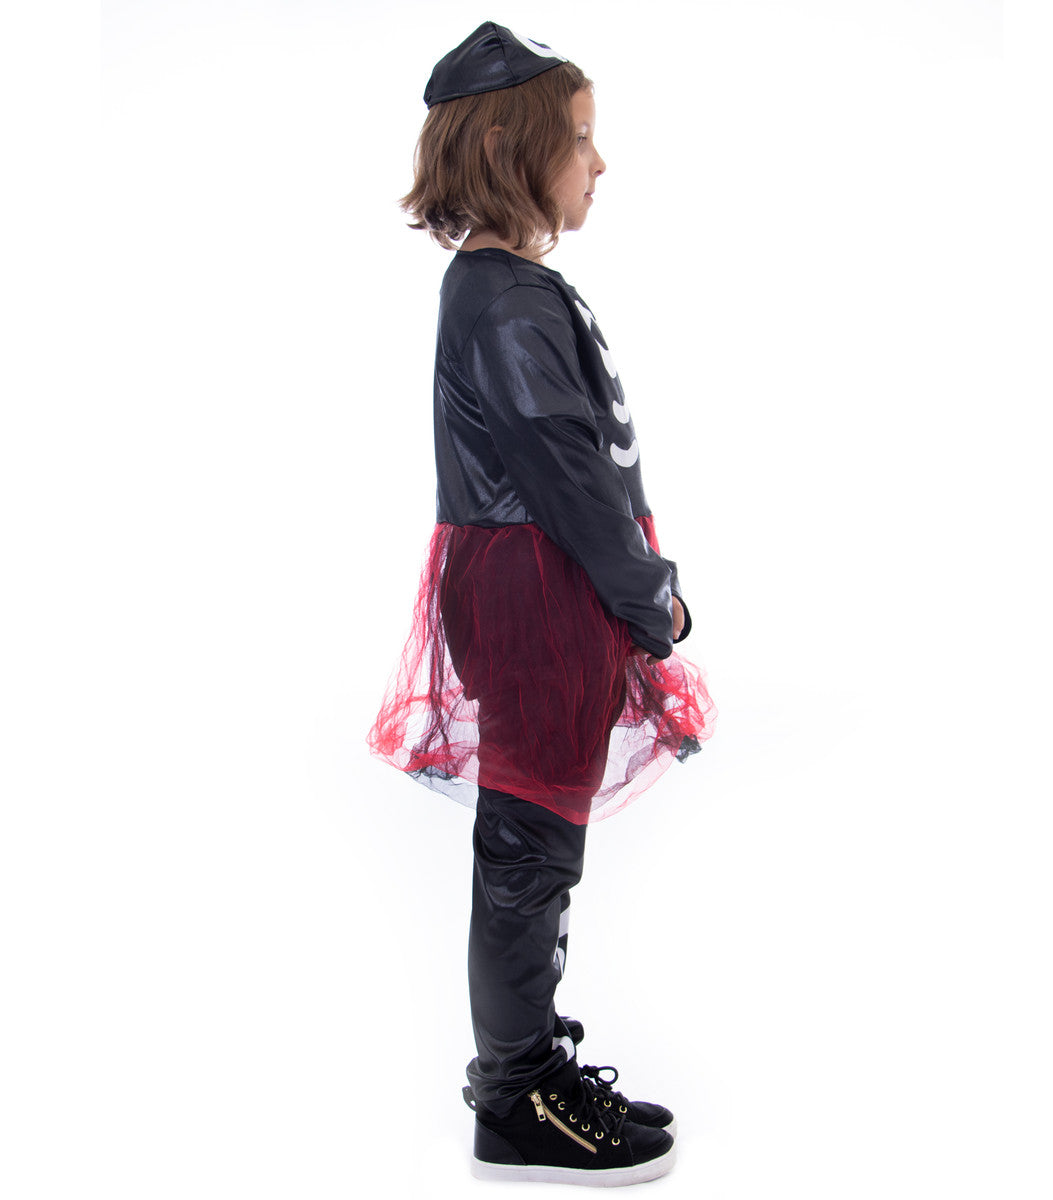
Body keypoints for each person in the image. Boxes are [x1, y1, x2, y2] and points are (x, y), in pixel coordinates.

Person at [368, 22, 716, 1186]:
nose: (598, 163)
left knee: (535, 843)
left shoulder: (504, 290)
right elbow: (568, 475)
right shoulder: (505, 300)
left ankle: (524, 1074)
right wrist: (651, 599)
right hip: (536, 591)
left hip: (533, 584)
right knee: (528, 848)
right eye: (579, 138)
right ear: (510, 151)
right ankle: (516, 1097)